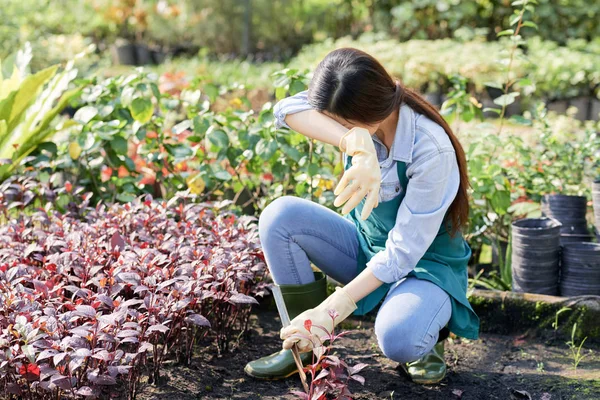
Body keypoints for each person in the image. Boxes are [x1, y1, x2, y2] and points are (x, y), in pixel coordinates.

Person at [244, 47, 480, 384]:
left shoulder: (431, 150)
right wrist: (353, 141)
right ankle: (304, 343)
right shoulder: (354, 121)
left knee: (399, 338)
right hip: (366, 249)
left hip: (424, 268)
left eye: (342, 123)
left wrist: (332, 309)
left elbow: (401, 254)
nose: (333, 127)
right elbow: (286, 109)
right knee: (279, 217)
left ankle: (431, 336)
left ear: (371, 110)